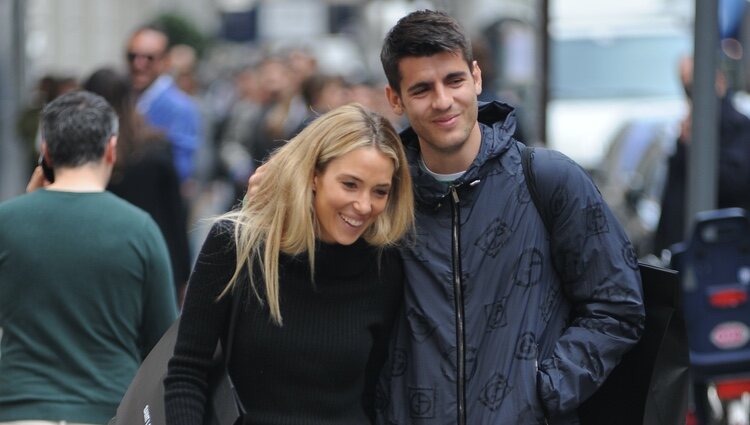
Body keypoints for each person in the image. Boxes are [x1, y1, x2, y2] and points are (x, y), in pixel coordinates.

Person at [371, 10, 644, 424]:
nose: (443, 100)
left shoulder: (549, 178)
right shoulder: (384, 195)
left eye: (454, 80)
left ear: (476, 78)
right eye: (422, 88)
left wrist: (543, 388)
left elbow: (617, 305)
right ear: (396, 99)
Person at [163, 103, 415, 424]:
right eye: (350, 184)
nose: (364, 205)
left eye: (380, 191)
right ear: (314, 176)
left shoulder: (384, 266)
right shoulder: (237, 245)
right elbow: (187, 371)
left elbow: (374, 390)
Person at [0, 91, 178, 424]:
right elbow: (162, 340)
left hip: (19, 406)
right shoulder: (139, 229)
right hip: (108, 407)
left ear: (46, 153)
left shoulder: (6, 222)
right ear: (111, 149)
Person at [83, 67, 192, 304]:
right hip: (151, 262)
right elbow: (175, 216)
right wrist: (182, 274)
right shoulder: (156, 150)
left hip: (96, 267)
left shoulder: (82, 157)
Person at [653, 55, 750, 254]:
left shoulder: (737, 127)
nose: (691, 93)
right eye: (686, 85)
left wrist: (692, 147)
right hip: (684, 249)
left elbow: (733, 184)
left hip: (724, 248)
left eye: (694, 83)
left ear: (720, 79)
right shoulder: (685, 129)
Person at [125, 24, 202, 183]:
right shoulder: (124, 97)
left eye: (149, 58)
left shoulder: (180, 107)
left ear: (165, 61)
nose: (139, 64)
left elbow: (182, 170)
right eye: (133, 56)